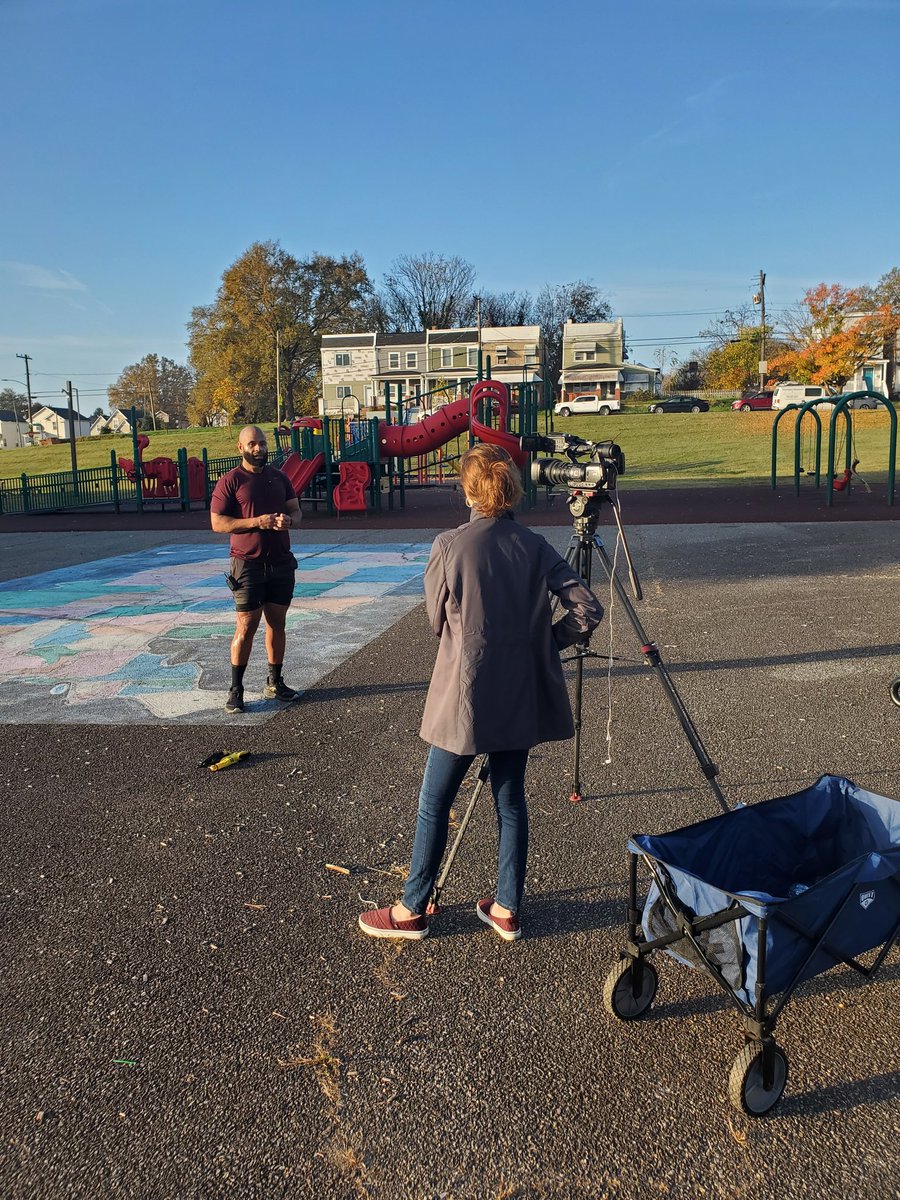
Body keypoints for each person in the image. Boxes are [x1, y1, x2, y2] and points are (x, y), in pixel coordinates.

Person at [359, 443, 603, 943]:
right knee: (510, 800)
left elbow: (435, 620)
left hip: (465, 690)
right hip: (519, 690)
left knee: (435, 801)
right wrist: (546, 643)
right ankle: (507, 906)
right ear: (510, 487)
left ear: (469, 490)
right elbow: (588, 608)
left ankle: (412, 908)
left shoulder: (449, 546)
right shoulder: (535, 545)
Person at [210, 425, 303, 714]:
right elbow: (218, 523)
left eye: (261, 443)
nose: (258, 449)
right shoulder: (231, 481)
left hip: (281, 563)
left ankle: (275, 681)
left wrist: (289, 520)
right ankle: (236, 689)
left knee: (277, 623)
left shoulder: (280, 478)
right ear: (241, 448)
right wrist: (256, 522)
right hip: (247, 564)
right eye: (252, 444)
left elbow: (297, 512)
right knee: (246, 626)